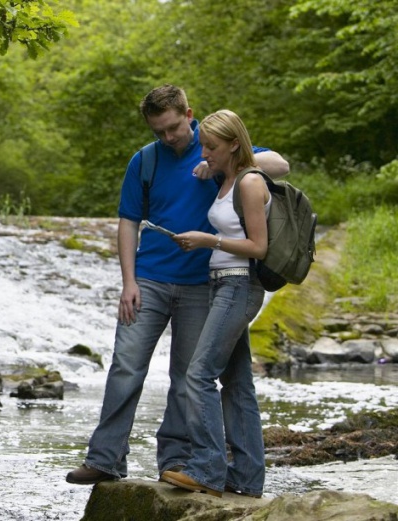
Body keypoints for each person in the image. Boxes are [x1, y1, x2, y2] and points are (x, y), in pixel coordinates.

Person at [65, 85, 288, 486]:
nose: (168, 138)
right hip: (149, 280)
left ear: (188, 113)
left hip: (205, 284)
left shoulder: (214, 143)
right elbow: (128, 221)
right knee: (125, 368)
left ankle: (177, 462)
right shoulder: (144, 162)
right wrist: (128, 282)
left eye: (172, 127)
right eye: (158, 132)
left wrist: (218, 165)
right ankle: (105, 459)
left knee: (187, 377)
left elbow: (277, 165)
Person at [161, 109, 270, 498]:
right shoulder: (227, 180)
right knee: (237, 383)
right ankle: (246, 478)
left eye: (211, 146)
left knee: (199, 374)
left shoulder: (250, 183)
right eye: (203, 144)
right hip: (221, 284)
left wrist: (209, 240)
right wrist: (211, 170)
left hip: (239, 286)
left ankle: (207, 468)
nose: (203, 152)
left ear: (235, 144)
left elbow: (258, 246)